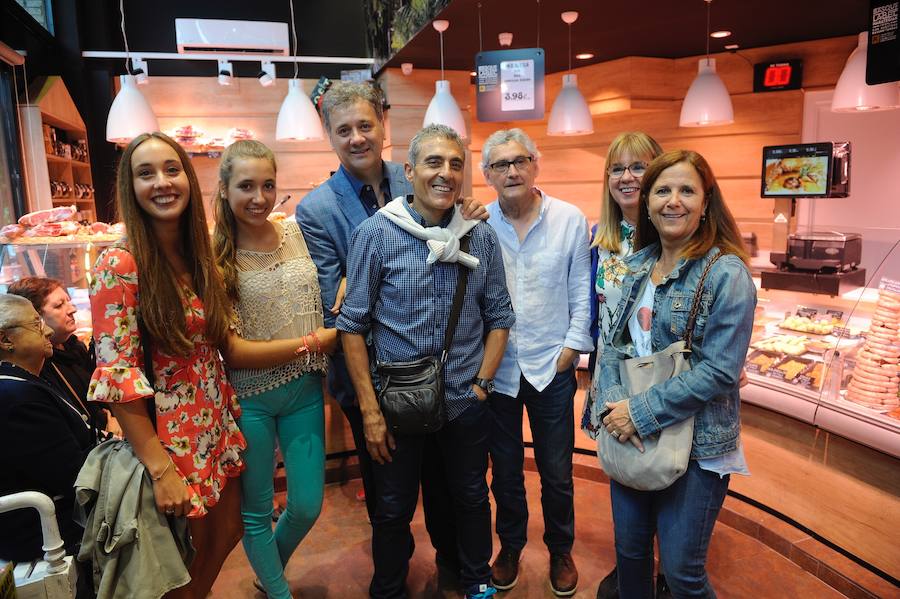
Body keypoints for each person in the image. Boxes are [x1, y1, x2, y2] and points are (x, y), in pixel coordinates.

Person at [88, 132, 313, 599]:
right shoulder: (119, 263)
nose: (162, 183)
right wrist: (159, 468)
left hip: (216, 426)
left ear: (189, 180)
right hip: (171, 444)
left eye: (172, 170)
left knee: (225, 536)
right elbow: (119, 376)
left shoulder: (198, 254)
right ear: (129, 187)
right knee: (177, 566)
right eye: (145, 173)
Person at [296, 81, 485, 577]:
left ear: (383, 125)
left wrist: (470, 215)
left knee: (444, 483)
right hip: (371, 380)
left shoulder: (417, 180)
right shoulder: (316, 209)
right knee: (389, 495)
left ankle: (450, 566)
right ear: (329, 135)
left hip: (437, 369)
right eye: (343, 130)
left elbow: (448, 254)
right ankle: (394, 575)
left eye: (364, 125)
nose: (356, 138)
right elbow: (333, 299)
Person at [336, 124, 515, 599]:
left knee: (472, 497)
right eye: (434, 162)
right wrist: (370, 411)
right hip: (398, 402)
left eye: (456, 163)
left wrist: (481, 384)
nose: (446, 173)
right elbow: (351, 326)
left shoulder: (480, 237)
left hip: (464, 401)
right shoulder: (375, 235)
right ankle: (390, 589)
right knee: (393, 509)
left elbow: (499, 316)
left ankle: (475, 581)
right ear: (409, 171)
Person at [596, 150, 755, 598]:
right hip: (630, 435)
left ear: (707, 203)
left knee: (683, 575)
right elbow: (612, 346)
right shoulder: (635, 267)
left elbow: (720, 371)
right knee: (630, 557)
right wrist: (614, 412)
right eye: (663, 190)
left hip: (697, 446)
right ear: (646, 203)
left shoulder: (726, 273)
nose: (674, 201)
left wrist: (639, 412)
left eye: (687, 190)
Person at [212, 139, 337, 599]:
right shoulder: (215, 254)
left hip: (305, 387)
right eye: (246, 186)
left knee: (306, 504)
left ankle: (269, 576)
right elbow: (234, 351)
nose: (259, 197)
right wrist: (310, 342)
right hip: (251, 398)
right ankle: (279, 592)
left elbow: (324, 281)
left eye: (268, 184)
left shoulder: (293, 230)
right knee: (257, 510)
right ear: (224, 189)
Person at [481, 128, 592, 597]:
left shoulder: (569, 219)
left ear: (535, 165)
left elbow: (582, 293)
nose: (512, 171)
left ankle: (560, 549)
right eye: (501, 165)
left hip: (552, 365)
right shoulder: (478, 223)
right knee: (503, 470)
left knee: (556, 470)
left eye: (520, 160)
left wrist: (572, 349)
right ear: (487, 174)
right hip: (498, 370)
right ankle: (509, 546)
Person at [0, 294, 94, 562]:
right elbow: (75, 477)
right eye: (36, 325)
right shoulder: (14, 397)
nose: (49, 331)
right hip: (42, 530)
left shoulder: (24, 384)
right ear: (6, 340)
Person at [8, 276, 120, 436]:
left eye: (68, 301)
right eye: (59, 305)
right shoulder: (39, 364)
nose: (72, 309)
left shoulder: (76, 347)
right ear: (35, 318)